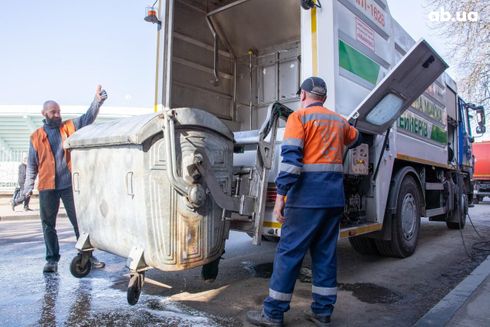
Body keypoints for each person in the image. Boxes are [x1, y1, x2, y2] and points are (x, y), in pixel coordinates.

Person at [246, 77, 360, 327]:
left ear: (304, 95)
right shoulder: (339, 120)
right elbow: (355, 137)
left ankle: (273, 313)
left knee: (289, 254)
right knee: (325, 255)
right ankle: (322, 312)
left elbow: (290, 164)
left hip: (306, 199)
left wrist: (280, 199)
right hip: (333, 200)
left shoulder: (298, 118)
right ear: (324, 98)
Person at [24, 85, 108, 273]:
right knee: (48, 225)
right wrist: (27, 188)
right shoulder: (36, 137)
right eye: (53, 112)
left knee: (80, 222)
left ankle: (87, 256)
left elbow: (87, 118)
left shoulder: (68, 127)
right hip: (47, 187)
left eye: (58, 111)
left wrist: (97, 101)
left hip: (69, 185)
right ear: (44, 113)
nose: (57, 115)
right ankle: (52, 260)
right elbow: (32, 165)